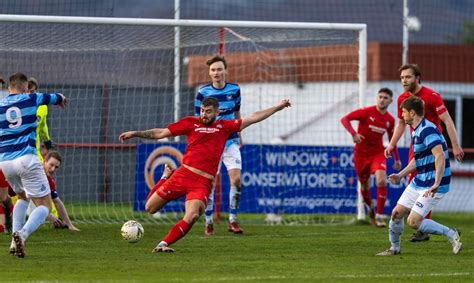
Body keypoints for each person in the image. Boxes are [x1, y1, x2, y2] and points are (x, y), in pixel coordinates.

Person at [119, 97, 291, 252]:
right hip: (183, 174)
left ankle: (163, 244)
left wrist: (277, 107)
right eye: (202, 110)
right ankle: (165, 177)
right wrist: (135, 133)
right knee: (150, 208)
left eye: (208, 111)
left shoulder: (224, 127)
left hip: (202, 182)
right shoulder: (190, 123)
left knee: (193, 215)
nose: (204, 114)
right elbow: (160, 133)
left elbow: (253, 117)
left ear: (217, 112)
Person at [385, 64, 464, 241]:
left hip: (433, 146)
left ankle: (422, 227)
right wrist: (391, 144)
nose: (404, 81)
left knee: (428, 184)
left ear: (417, 78)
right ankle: (417, 225)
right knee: (414, 182)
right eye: (402, 78)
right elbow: (400, 124)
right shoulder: (402, 99)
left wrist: (456, 145)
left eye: (408, 77)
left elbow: (447, 120)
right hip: (416, 147)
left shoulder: (431, 96)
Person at [376, 96, 462, 256]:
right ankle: (394, 248)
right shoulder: (417, 131)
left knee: (413, 222)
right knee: (396, 213)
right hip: (420, 180)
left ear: (412, 112)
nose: (401, 116)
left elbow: (440, 156)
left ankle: (452, 234)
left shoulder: (427, 130)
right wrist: (401, 175)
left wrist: (436, 182)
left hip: (434, 183)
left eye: (403, 112)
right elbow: (418, 159)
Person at [0, 72, 67, 258]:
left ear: (9, 88)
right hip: (27, 158)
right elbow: (55, 97)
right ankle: (22, 234)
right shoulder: (31, 98)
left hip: (5, 162)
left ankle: (14, 241)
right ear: (25, 87)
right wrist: (61, 98)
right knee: (44, 205)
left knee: (22, 198)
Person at [195, 55, 244, 235]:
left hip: (230, 140)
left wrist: (240, 135)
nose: (216, 73)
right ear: (209, 73)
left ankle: (233, 220)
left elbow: (237, 112)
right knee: (210, 183)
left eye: (219, 69)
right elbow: (198, 120)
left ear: (225, 70)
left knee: (236, 180)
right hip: (210, 143)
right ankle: (208, 222)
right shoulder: (203, 92)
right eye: (213, 70)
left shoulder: (235, 89)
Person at [341, 88, 401, 227]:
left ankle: (380, 216)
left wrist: (397, 159)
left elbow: (392, 140)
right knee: (364, 185)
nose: (382, 99)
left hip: (377, 154)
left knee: (381, 181)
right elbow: (345, 119)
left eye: (385, 97)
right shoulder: (366, 112)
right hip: (361, 155)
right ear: (377, 98)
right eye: (380, 96)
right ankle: (371, 208)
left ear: (390, 101)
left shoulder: (390, 120)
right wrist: (353, 134)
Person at [42, 151, 80, 231]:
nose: (53, 169)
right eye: (51, 165)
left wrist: (70, 225)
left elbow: (57, 201)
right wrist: (48, 215)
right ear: (45, 161)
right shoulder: (34, 171)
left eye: (56, 167)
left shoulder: (49, 181)